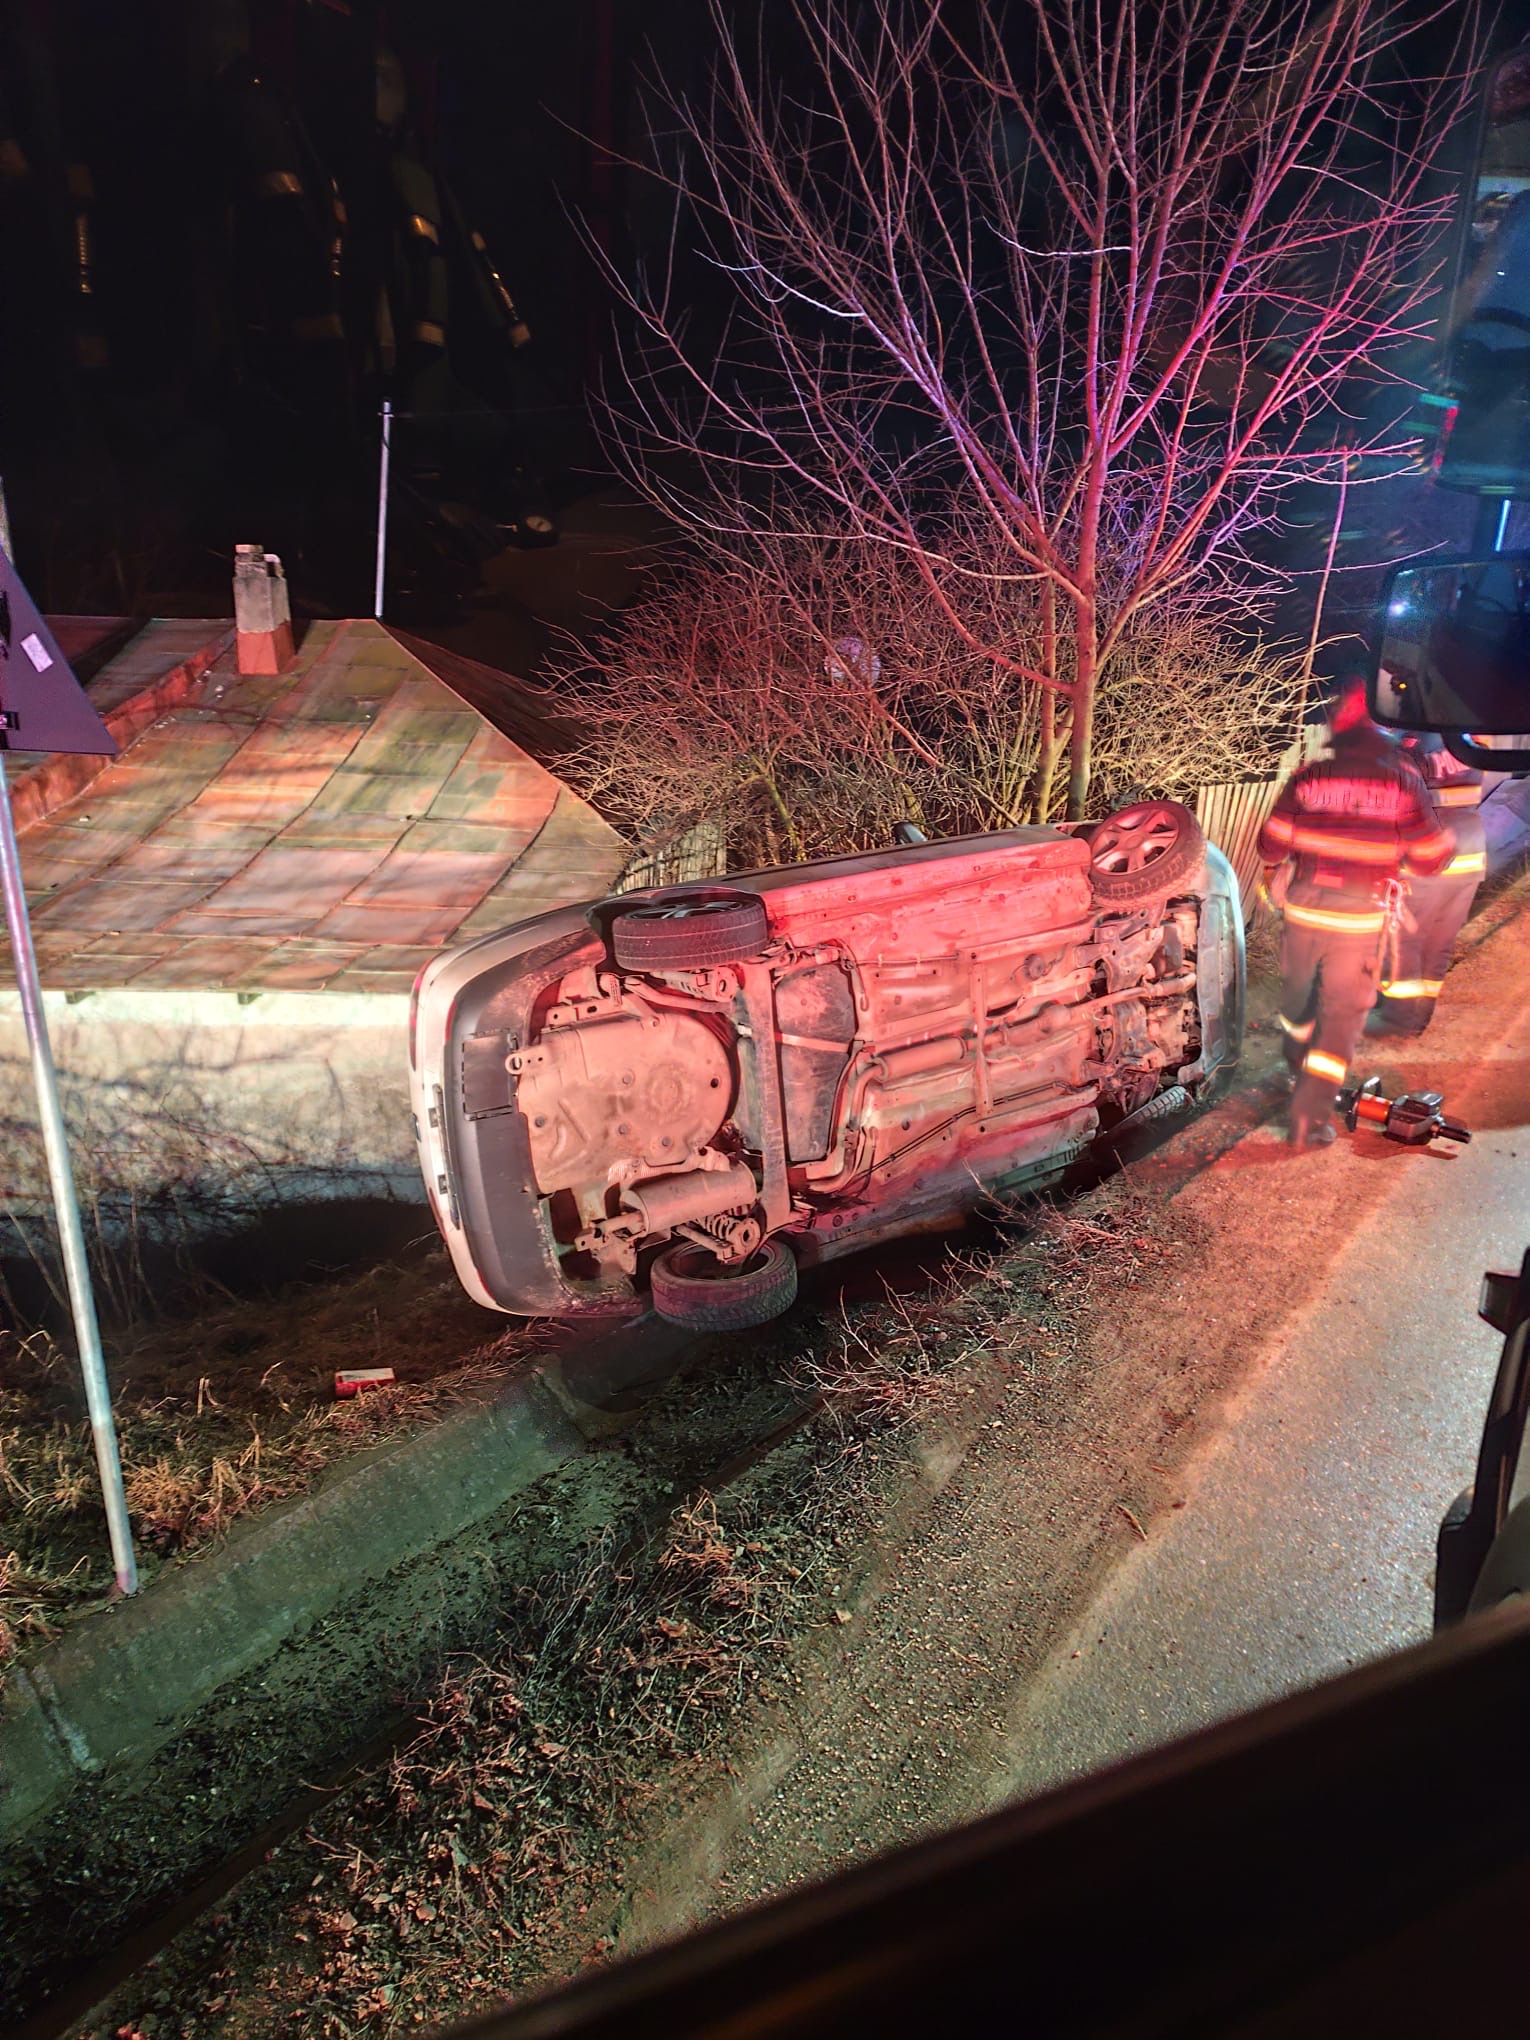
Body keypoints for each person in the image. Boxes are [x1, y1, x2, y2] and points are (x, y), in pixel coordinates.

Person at [1258, 679, 1454, 1146]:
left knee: (1298, 1008)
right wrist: (1440, 842)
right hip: (1358, 926)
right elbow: (1430, 858)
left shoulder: (1308, 777)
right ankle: (1309, 1119)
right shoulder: (1403, 782)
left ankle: (1294, 1073)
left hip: (1303, 917)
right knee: (1340, 1020)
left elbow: (1270, 846)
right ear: (1386, 732)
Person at [1370, 736, 1489, 1034]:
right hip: (1469, 854)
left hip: (1427, 858)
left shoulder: (1410, 747)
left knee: (1404, 941)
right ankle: (1419, 1018)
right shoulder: (1473, 742)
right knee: (1439, 943)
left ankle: (1398, 1020)